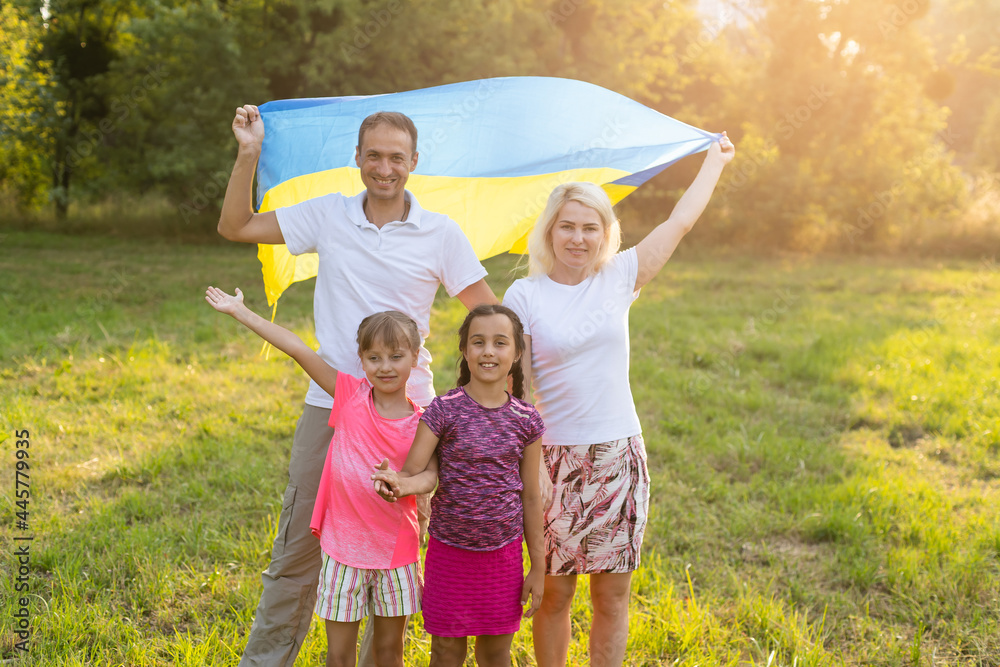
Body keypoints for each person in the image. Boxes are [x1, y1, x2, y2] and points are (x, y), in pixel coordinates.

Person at [218, 105, 497, 666]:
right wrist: (249, 153)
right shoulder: (328, 215)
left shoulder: (441, 233)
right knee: (298, 548)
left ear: (414, 162)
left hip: (408, 421)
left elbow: (490, 317)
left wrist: (483, 396)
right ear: (357, 159)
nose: (385, 167)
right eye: (374, 155)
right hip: (333, 406)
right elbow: (236, 227)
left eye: (397, 157)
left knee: (389, 556)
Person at [502, 133, 736, 667]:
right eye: (567, 226)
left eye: (590, 227)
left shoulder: (620, 276)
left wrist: (713, 164)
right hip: (554, 462)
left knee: (611, 594)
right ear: (550, 231)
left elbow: (679, 222)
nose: (578, 238)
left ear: (605, 233)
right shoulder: (524, 296)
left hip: (617, 457)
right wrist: (522, 466)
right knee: (555, 595)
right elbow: (517, 392)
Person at [205, 286, 428, 666]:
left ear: (415, 358)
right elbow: (298, 349)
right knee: (338, 655)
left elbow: (430, 477)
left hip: (396, 555)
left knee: (389, 652)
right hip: (342, 553)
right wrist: (242, 313)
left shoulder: (424, 421)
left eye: (396, 356)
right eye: (374, 357)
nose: (385, 366)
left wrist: (402, 484)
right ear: (361, 360)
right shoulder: (349, 396)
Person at [371, 304, 546, 667]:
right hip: (449, 555)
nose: (488, 351)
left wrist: (538, 568)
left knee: (496, 653)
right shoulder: (444, 410)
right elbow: (414, 472)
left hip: (503, 556)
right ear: (465, 351)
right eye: (478, 342)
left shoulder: (526, 419)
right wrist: (394, 484)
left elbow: (531, 495)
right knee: (447, 652)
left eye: (500, 343)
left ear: (515, 354)